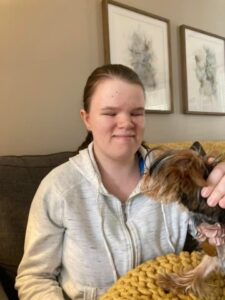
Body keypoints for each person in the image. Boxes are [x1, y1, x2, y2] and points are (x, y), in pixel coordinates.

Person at [15, 64, 225, 300]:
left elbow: (209, 242)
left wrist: (218, 208)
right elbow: (34, 277)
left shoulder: (176, 173)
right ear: (86, 119)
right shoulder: (59, 188)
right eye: (110, 113)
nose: (126, 123)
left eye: (136, 112)